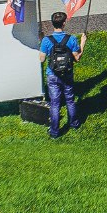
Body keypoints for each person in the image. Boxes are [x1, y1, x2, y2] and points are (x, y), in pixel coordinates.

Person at [40, 11, 84, 139]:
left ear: (52, 23)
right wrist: (83, 42)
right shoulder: (71, 39)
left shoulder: (46, 40)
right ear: (64, 23)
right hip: (67, 74)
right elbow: (77, 58)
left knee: (55, 103)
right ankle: (74, 124)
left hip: (52, 74)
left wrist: (41, 42)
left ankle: (54, 132)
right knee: (70, 100)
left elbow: (42, 59)